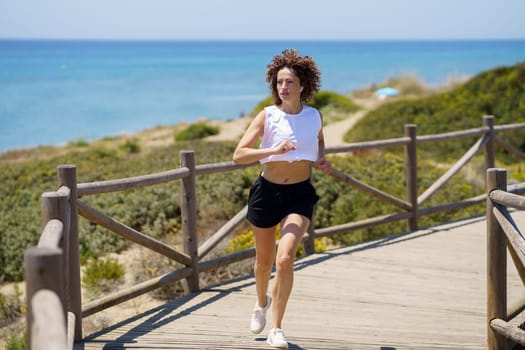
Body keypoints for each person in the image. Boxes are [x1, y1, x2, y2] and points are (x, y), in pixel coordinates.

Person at [232, 49, 331, 349]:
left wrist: (322, 159)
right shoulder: (268, 115)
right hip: (267, 193)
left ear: (303, 85)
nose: (283, 88)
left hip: (299, 194)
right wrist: (272, 151)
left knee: (285, 257)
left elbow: (318, 141)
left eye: (289, 82)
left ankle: (276, 328)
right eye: (279, 82)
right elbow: (239, 155)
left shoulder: (314, 115)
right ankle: (260, 302)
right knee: (263, 264)